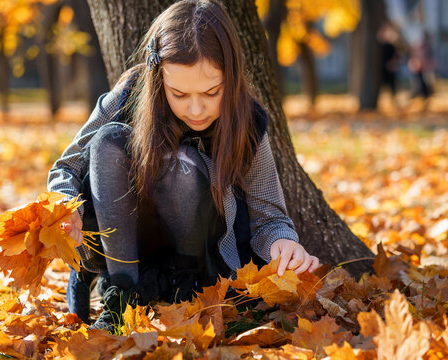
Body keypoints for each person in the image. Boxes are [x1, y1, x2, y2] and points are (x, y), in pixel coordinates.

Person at [48, 0, 319, 333]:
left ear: (231, 78)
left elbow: (269, 217)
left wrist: (283, 243)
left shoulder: (247, 122)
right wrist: (63, 205)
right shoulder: (129, 93)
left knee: (185, 163)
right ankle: (120, 298)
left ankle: (183, 293)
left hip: (196, 258)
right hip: (124, 241)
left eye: (211, 92)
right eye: (178, 93)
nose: (196, 109)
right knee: (108, 140)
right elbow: (67, 168)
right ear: (159, 78)